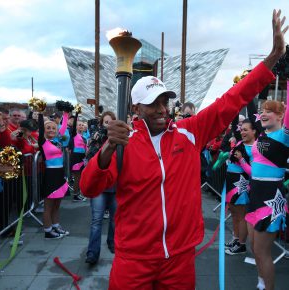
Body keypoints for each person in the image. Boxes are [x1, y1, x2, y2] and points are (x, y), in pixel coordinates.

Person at [80, 10, 287, 289]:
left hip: (179, 257)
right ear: (136, 108)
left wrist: (273, 57)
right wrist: (107, 148)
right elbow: (89, 187)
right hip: (134, 258)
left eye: (165, 100)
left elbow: (232, 98)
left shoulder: (190, 131)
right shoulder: (122, 142)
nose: (162, 109)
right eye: (153, 103)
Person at [245, 96, 289, 290]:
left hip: (271, 196)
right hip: (255, 194)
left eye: (268, 111)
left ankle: (268, 287)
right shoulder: (262, 135)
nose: (263, 113)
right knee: (254, 247)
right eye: (262, 110)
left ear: (281, 116)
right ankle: (261, 283)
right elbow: (250, 106)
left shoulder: (284, 136)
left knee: (262, 252)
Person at [85, 111, 117, 265]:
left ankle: (112, 243)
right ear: (101, 124)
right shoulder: (96, 140)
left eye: (112, 122)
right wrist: (94, 142)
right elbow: (89, 159)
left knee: (114, 220)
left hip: (115, 186)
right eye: (106, 122)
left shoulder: (120, 140)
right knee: (96, 220)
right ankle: (92, 253)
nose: (108, 125)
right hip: (100, 188)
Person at [224, 118, 258, 255]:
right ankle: (235, 238)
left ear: (254, 131)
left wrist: (242, 160)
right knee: (233, 212)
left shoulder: (255, 148)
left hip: (241, 183)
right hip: (231, 181)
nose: (242, 132)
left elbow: (253, 172)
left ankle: (241, 244)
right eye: (241, 129)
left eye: (246, 129)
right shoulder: (240, 142)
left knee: (241, 214)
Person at [38, 110, 70, 239]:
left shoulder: (57, 141)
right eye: (48, 128)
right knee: (49, 206)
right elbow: (40, 129)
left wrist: (66, 115)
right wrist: (40, 113)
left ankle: (56, 226)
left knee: (57, 205)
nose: (51, 130)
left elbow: (63, 128)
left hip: (60, 174)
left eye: (53, 128)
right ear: (44, 130)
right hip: (50, 174)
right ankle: (48, 230)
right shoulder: (43, 142)